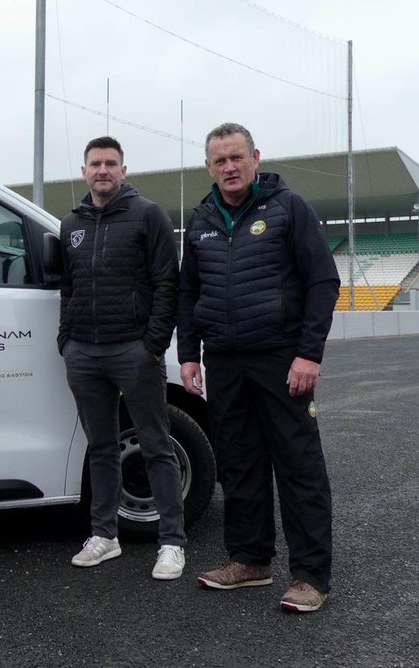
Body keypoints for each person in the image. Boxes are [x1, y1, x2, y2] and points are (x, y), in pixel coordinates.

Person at [177, 122, 340, 613]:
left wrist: (309, 353)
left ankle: (311, 575)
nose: (229, 167)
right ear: (208, 167)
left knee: (298, 465)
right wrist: (189, 354)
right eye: (219, 160)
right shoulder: (201, 219)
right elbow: (189, 292)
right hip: (224, 361)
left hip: (281, 359)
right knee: (239, 464)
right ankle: (250, 560)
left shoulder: (289, 209)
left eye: (237, 157)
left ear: (255, 158)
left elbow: (322, 281)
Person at [58, 136, 187, 579]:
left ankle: (171, 542)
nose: (103, 171)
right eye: (95, 164)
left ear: (124, 170)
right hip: (84, 352)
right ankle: (104, 536)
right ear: (84, 170)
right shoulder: (71, 222)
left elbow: (168, 283)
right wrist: (66, 339)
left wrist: (152, 344)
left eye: (111, 164)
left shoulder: (147, 215)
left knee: (156, 445)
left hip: (133, 350)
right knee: (101, 447)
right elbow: (69, 287)